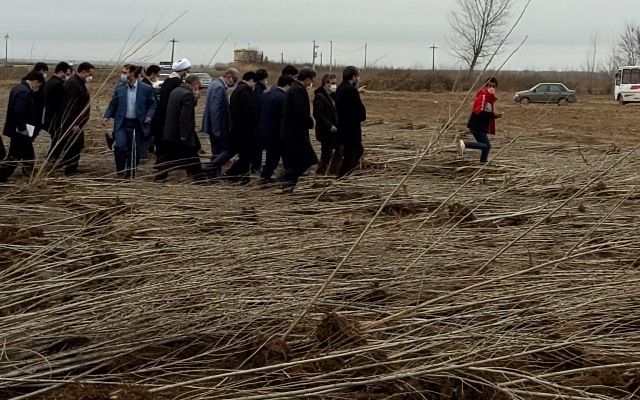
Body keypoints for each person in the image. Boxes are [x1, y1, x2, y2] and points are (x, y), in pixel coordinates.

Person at [102, 64, 156, 178]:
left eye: (125, 73)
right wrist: (106, 116)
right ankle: (120, 171)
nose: (123, 75)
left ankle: (131, 172)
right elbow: (113, 104)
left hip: (137, 123)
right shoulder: (119, 88)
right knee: (120, 146)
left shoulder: (146, 88)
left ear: (132, 74)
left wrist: (149, 115)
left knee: (134, 149)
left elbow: (152, 104)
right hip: (122, 123)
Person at [0, 72, 45, 182]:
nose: (37, 88)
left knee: (28, 153)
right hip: (20, 131)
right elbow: (18, 111)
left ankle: (30, 173)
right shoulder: (25, 92)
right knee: (15, 155)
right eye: (38, 85)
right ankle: (2, 174)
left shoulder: (18, 88)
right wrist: (22, 128)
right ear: (35, 81)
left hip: (18, 129)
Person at [160, 74, 205, 181]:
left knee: (168, 157)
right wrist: (184, 135)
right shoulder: (187, 95)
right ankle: (199, 178)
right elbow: (185, 117)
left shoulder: (176, 91)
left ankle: (160, 176)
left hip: (170, 131)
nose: (198, 89)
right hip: (180, 133)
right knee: (192, 155)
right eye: (198, 86)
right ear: (194, 84)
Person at [152, 58, 191, 180]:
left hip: (163, 120)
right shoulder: (175, 83)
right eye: (187, 71)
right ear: (183, 71)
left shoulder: (168, 81)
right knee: (169, 149)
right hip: (168, 121)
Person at [280, 67, 318, 191]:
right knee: (306, 160)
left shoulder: (296, 89)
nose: (311, 83)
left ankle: (289, 185)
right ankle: (286, 178)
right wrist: (310, 122)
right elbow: (300, 112)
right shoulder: (297, 91)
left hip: (295, 132)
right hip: (295, 133)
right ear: (307, 79)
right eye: (311, 80)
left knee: (298, 161)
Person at [56, 62, 94, 175]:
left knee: (76, 144)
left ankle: (69, 167)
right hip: (73, 123)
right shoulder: (73, 84)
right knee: (75, 144)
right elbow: (70, 106)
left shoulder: (78, 82)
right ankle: (69, 169)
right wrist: (74, 123)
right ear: (84, 72)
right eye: (90, 74)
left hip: (77, 122)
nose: (91, 77)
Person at [201, 68, 240, 178]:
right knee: (221, 151)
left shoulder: (214, 84)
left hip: (212, 125)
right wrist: (216, 129)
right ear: (229, 77)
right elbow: (215, 110)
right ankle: (210, 171)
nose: (234, 83)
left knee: (216, 151)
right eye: (234, 80)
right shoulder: (219, 87)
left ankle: (213, 174)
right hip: (218, 127)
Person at [257, 74, 293, 185]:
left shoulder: (265, 95)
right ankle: (288, 178)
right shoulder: (284, 98)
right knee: (285, 158)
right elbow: (285, 118)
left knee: (271, 158)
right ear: (287, 86)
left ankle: (265, 178)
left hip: (265, 131)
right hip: (278, 134)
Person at [224, 71, 259, 183]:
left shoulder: (238, 90)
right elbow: (250, 110)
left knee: (244, 155)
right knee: (246, 155)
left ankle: (236, 175)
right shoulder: (246, 91)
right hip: (245, 129)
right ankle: (238, 176)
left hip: (238, 127)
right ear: (252, 80)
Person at [459, 77, 502, 164]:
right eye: (489, 86)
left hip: (482, 126)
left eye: (493, 86)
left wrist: (494, 116)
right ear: (486, 86)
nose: (492, 88)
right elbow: (479, 112)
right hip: (476, 126)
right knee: (487, 146)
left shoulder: (489, 98)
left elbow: (486, 113)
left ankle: (483, 163)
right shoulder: (483, 96)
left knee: (486, 146)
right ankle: (464, 144)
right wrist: (493, 115)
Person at [335, 66, 366, 178]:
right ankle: (342, 177)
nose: (358, 79)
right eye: (357, 76)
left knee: (354, 151)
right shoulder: (351, 90)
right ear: (353, 77)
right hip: (351, 129)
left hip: (342, 127)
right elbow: (360, 111)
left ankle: (344, 176)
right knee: (354, 152)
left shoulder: (340, 88)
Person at [313, 73, 341, 175]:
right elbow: (318, 114)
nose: (334, 85)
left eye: (335, 83)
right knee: (329, 152)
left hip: (333, 131)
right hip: (325, 131)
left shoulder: (332, 96)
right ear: (326, 83)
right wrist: (330, 125)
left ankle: (328, 171)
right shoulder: (320, 97)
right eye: (333, 83)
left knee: (330, 152)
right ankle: (325, 172)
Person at [44, 62, 73, 160]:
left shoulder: (50, 82)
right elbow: (60, 105)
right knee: (58, 141)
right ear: (61, 72)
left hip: (49, 118)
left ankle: (53, 160)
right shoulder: (58, 85)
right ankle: (51, 160)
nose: (68, 77)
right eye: (67, 74)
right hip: (55, 119)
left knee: (57, 140)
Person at [23, 62, 49, 137]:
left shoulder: (28, 78)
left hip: (35, 110)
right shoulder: (36, 81)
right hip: (35, 110)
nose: (45, 74)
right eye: (45, 72)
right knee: (31, 132)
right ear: (42, 70)